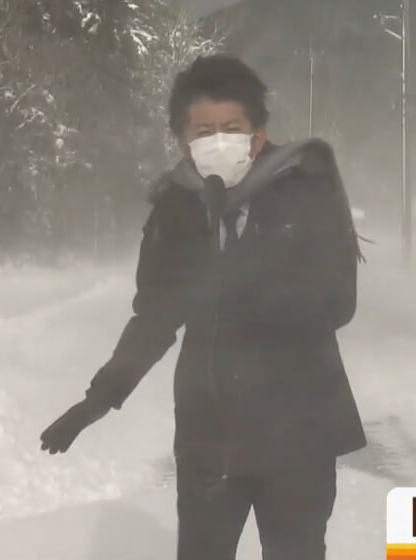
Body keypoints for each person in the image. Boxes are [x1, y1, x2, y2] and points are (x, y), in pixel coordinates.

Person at [39, 54, 367, 560]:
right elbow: (155, 316)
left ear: (257, 134)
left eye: (231, 127)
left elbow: (338, 302)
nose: (218, 140)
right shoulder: (177, 207)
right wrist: (100, 397)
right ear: (183, 141)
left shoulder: (308, 188)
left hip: (299, 434)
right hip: (210, 440)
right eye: (204, 130)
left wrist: (248, 272)